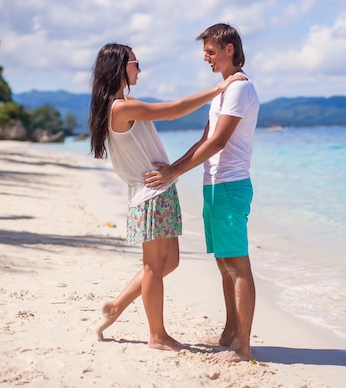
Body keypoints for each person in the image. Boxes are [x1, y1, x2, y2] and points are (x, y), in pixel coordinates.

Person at [89, 43, 246, 351]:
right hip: (150, 193)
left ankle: (117, 306)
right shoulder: (120, 108)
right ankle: (156, 335)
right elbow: (174, 110)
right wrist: (221, 87)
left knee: (169, 262)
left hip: (158, 191)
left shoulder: (124, 103)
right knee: (152, 267)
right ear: (119, 67)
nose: (139, 69)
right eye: (135, 63)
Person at [144, 23, 259, 362]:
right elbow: (204, 140)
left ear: (229, 49)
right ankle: (229, 333)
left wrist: (174, 172)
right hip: (214, 184)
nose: (206, 57)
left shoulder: (240, 89)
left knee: (237, 265)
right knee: (224, 264)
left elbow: (220, 142)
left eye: (210, 51)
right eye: (204, 52)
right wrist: (171, 173)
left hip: (230, 185)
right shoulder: (224, 91)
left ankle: (243, 347)